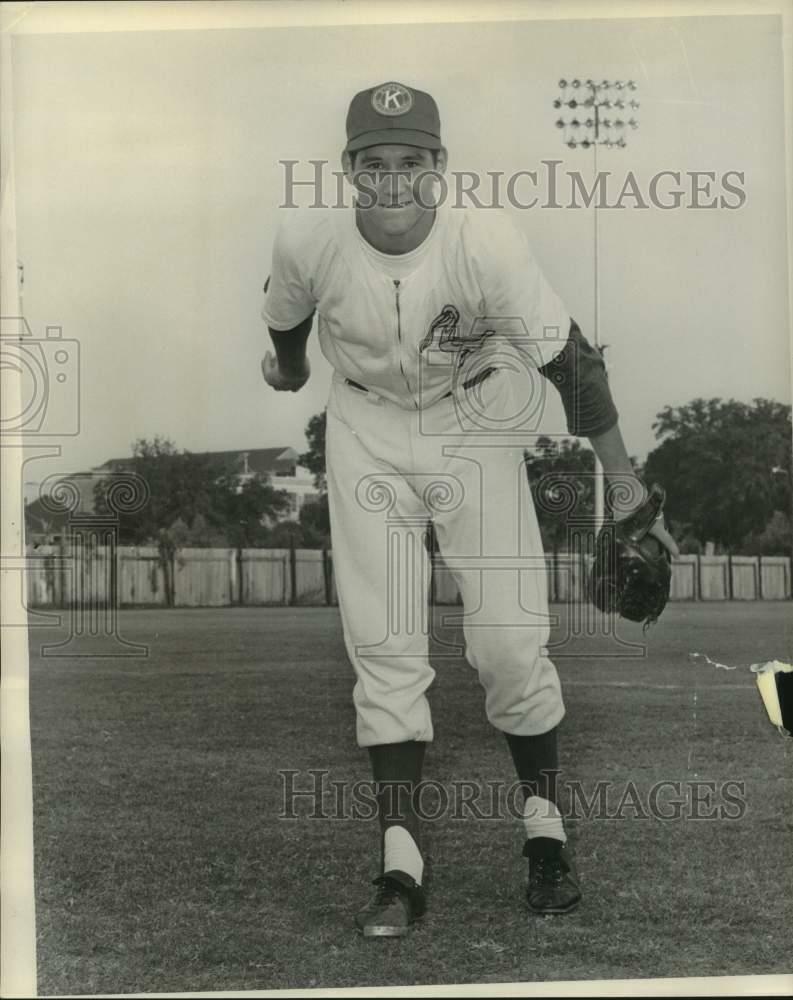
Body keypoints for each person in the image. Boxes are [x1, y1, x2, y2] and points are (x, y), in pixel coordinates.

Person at [261, 81, 678, 938]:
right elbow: (285, 323)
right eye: (372, 164)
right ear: (346, 171)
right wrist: (293, 371)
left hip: (474, 418)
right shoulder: (308, 237)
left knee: (509, 643)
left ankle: (545, 836)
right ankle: (399, 867)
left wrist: (626, 486)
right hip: (365, 424)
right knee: (382, 644)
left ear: (438, 168)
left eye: (410, 162)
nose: (391, 181)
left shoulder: (484, 241)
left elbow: (572, 364)